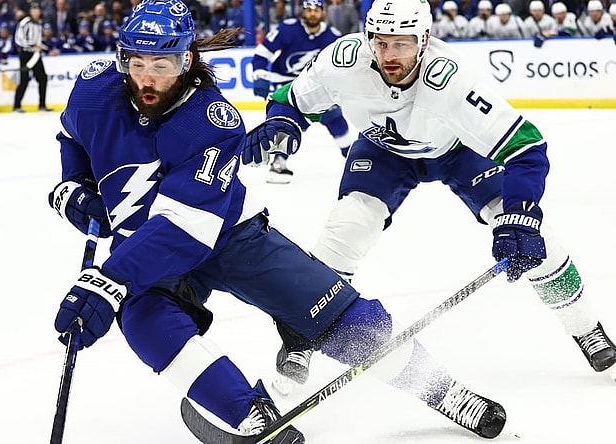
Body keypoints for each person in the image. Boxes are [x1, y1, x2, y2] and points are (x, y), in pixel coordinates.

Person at [46, 0, 508, 441]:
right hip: (147, 249)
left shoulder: (210, 120)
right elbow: (72, 137)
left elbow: (184, 228)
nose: (146, 77)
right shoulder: (95, 88)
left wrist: (109, 279)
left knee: (344, 318)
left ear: (187, 60)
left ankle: (444, 391)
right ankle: (249, 413)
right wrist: (72, 187)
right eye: (137, 62)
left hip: (230, 237)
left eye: (162, 64)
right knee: (144, 321)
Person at [243, 0, 616, 394]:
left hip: (458, 152)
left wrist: (521, 213)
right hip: (383, 151)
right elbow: (290, 97)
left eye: (401, 43)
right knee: (346, 229)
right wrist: (281, 121)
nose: (389, 55)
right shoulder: (342, 60)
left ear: (424, 39)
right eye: (381, 42)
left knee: (544, 242)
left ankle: (587, 329)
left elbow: (527, 147)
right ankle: (302, 337)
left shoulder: (454, 80)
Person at [252, 0, 353, 184]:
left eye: (316, 9)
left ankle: (353, 160)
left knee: (335, 119)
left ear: (323, 12)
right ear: (302, 11)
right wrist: (259, 75)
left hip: (317, 89)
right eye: (308, 9)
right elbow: (262, 53)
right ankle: (279, 161)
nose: (312, 13)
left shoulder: (333, 37)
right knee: (287, 123)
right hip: (287, 87)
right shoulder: (288, 29)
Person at [13, 2, 52, 112]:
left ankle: (42, 105)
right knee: (24, 80)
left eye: (37, 10)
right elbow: (19, 39)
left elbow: (38, 42)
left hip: (35, 54)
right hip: (25, 54)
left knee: (43, 78)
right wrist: (32, 44)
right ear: (30, 12)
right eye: (34, 10)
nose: (36, 12)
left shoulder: (39, 23)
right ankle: (16, 106)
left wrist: (47, 50)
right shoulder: (24, 22)